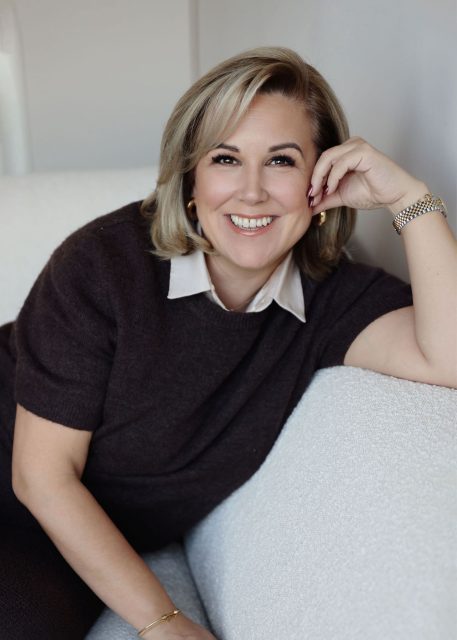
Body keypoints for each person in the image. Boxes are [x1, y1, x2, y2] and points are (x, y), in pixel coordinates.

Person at [0, 46, 455, 639]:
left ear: (322, 178)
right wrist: (163, 622)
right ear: (191, 177)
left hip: (70, 537)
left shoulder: (332, 300)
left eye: (282, 161)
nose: (252, 191)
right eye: (226, 158)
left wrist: (409, 199)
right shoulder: (103, 266)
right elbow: (41, 476)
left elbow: (447, 359)